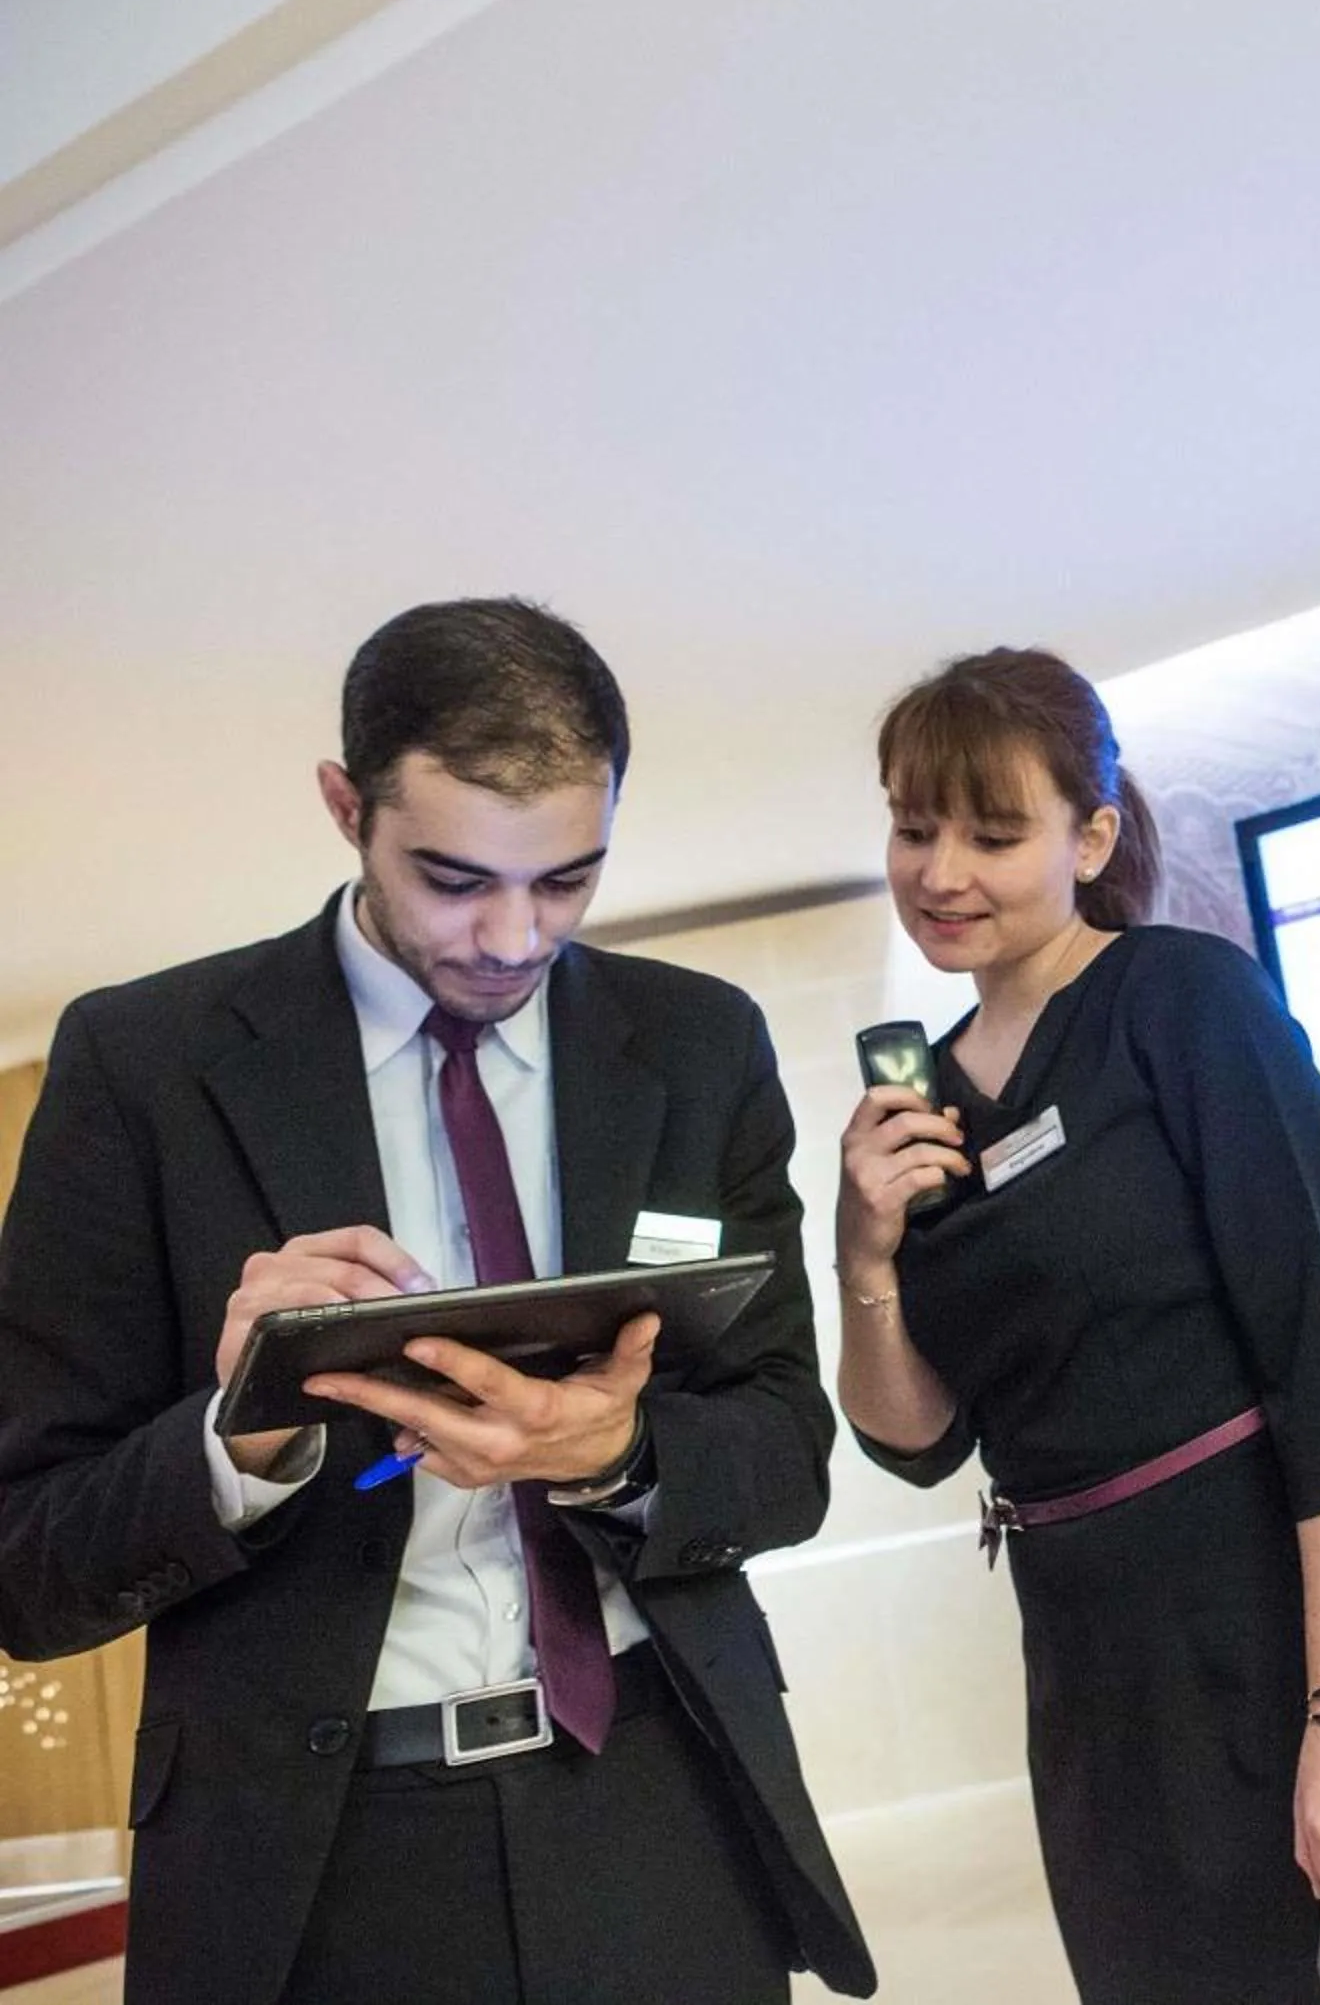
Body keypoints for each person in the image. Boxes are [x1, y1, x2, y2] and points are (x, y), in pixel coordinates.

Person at [0, 600, 873, 2005]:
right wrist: (241, 1438)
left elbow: (784, 1450)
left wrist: (619, 1456)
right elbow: (26, 1564)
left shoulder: (702, 1045)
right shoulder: (139, 1067)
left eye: (569, 880)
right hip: (322, 1854)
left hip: (661, 1799)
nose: (515, 937)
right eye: (456, 879)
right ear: (347, 806)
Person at [830, 646, 1320, 2005]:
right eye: (914, 825)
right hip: (1093, 1670)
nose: (941, 870)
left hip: (1268, 1622)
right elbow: (917, 1438)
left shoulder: (1183, 1000)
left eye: (994, 833)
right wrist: (862, 1250)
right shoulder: (919, 1096)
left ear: (1090, 835)